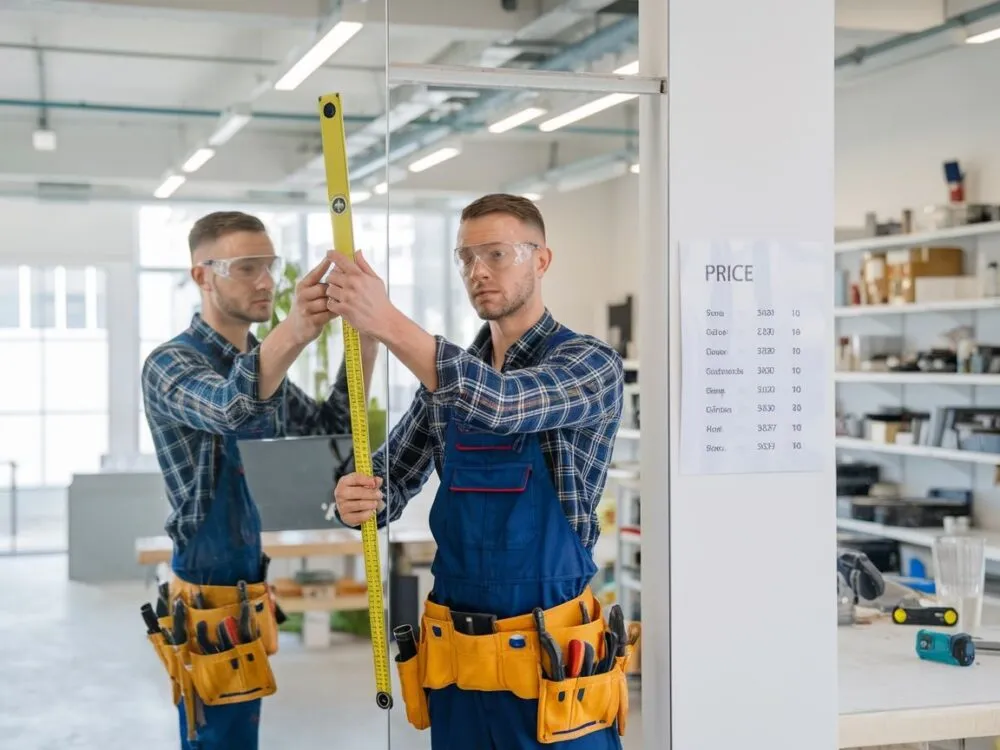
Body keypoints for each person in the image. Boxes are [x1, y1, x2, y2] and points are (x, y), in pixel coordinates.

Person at [329, 193, 626, 749]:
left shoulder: (589, 365)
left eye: (496, 254)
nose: (478, 271)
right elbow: (389, 481)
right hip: (457, 671)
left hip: (553, 674)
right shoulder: (442, 386)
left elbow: (502, 403)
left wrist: (388, 321)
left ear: (541, 260)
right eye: (465, 257)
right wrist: (357, 496)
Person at [140, 210, 377, 750]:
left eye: (269, 266)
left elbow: (329, 429)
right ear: (202, 275)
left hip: (248, 584)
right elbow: (229, 407)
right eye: (247, 268)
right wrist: (294, 331)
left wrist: (364, 345)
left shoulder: (258, 361)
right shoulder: (170, 365)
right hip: (204, 588)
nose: (267, 281)